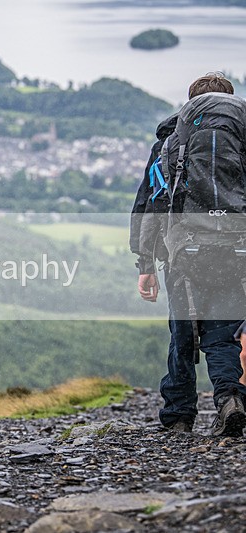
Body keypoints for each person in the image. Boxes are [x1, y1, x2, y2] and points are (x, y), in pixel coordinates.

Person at [136, 73, 246, 436]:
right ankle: (230, 399)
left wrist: (145, 264)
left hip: (185, 251)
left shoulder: (171, 142)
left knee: (182, 331)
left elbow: (151, 203)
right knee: (222, 332)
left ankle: (179, 416)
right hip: (235, 248)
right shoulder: (241, 137)